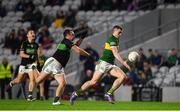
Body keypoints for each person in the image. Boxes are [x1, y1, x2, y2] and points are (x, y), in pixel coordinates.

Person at [70, 25, 131, 105]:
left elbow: (110, 51)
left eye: (121, 33)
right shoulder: (112, 39)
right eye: (119, 32)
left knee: (123, 76)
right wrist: (123, 62)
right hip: (104, 63)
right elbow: (115, 53)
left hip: (110, 64)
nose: (120, 34)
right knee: (93, 82)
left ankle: (109, 93)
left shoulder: (116, 40)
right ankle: (76, 94)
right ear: (114, 31)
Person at [33, 28, 90, 105]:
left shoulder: (67, 42)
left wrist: (82, 38)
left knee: (62, 83)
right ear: (68, 35)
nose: (74, 35)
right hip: (53, 63)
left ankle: (56, 101)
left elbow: (76, 45)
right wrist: (88, 54)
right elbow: (78, 50)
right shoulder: (66, 41)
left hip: (58, 66)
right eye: (72, 34)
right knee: (38, 81)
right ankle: (33, 70)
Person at [6, 30, 39, 101]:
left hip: (31, 65)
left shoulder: (36, 45)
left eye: (33, 32)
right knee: (18, 80)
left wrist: (35, 64)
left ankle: (30, 96)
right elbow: (21, 54)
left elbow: (36, 56)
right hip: (24, 65)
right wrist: (30, 56)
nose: (33, 34)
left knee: (32, 79)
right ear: (27, 36)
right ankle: (11, 83)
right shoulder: (24, 43)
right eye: (31, 33)